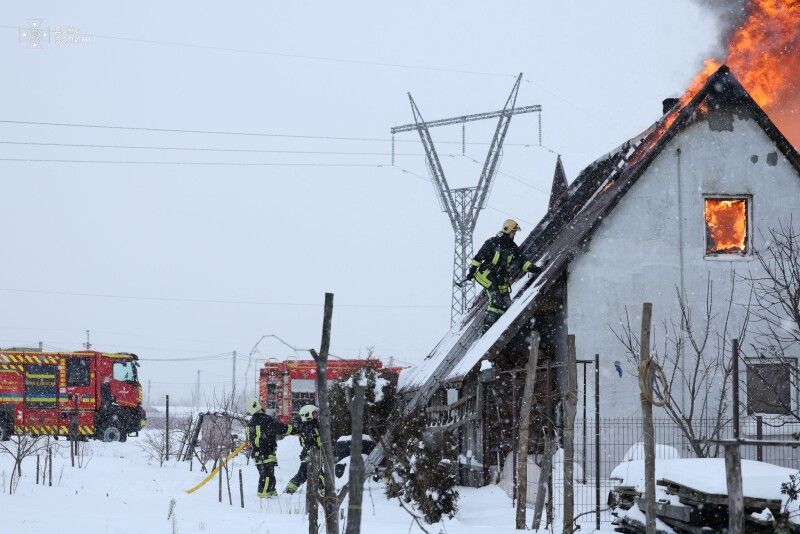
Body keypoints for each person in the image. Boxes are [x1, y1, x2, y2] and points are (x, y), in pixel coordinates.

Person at [466, 219, 542, 332]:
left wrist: (533, 268)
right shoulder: (492, 243)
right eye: (513, 232)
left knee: (506, 303)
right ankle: (487, 327)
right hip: (485, 275)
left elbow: (522, 261)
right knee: (496, 299)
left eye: (515, 232)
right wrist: (472, 271)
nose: (514, 234)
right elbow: (478, 257)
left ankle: (498, 326)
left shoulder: (513, 248)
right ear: (507, 230)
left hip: (499, 278)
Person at [244, 397, 294, 498]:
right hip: (266, 453)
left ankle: (272, 494)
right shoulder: (266, 420)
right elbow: (282, 429)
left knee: (268, 476)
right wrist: (296, 429)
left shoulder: (250, 423)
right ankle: (263, 497)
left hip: (257, 455)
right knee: (267, 477)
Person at [284, 404, 325, 495]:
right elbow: (310, 442)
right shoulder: (309, 427)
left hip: (311, 454)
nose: (317, 415)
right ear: (308, 415)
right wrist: (312, 454)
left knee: (304, 474)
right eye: (314, 413)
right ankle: (324, 490)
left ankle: (289, 489)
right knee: (315, 473)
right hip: (311, 455)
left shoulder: (311, 425)